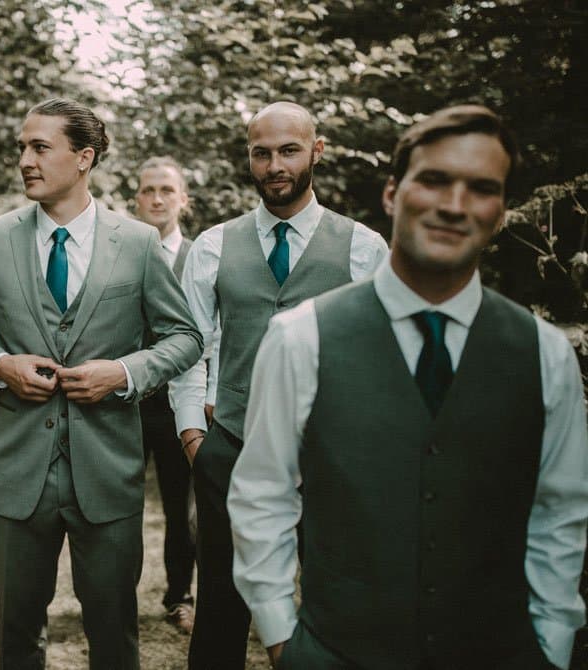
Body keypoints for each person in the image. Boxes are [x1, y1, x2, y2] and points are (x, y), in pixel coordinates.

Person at [229, 105, 588, 670]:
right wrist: (282, 637)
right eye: (435, 180)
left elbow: (559, 513)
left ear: (499, 211)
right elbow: (262, 495)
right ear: (393, 193)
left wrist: (552, 645)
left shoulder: (546, 354)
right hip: (337, 653)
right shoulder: (300, 338)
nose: (453, 204)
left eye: (481, 188)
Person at [0, 98, 202, 669]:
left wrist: (125, 373)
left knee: (113, 635)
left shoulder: (135, 243)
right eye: (22, 148)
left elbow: (184, 336)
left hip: (107, 473)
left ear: (83, 158)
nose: (25, 160)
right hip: (17, 474)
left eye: (40, 147)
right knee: (17, 635)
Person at [169, 101, 388, 668]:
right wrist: (195, 435)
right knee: (221, 600)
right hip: (233, 446)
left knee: (332, 599)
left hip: (331, 457)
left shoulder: (364, 248)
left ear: (316, 151)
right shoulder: (215, 246)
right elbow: (191, 345)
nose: (274, 165)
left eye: (288, 150)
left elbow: (379, 363)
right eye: (261, 152)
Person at [133, 155, 198, 634]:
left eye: (166, 191)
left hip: (180, 404)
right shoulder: (122, 252)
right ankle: (113, 593)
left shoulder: (200, 256)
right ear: (136, 199)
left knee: (182, 509)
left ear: (183, 200)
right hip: (126, 402)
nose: (157, 199)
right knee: (117, 504)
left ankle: (180, 596)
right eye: (147, 190)